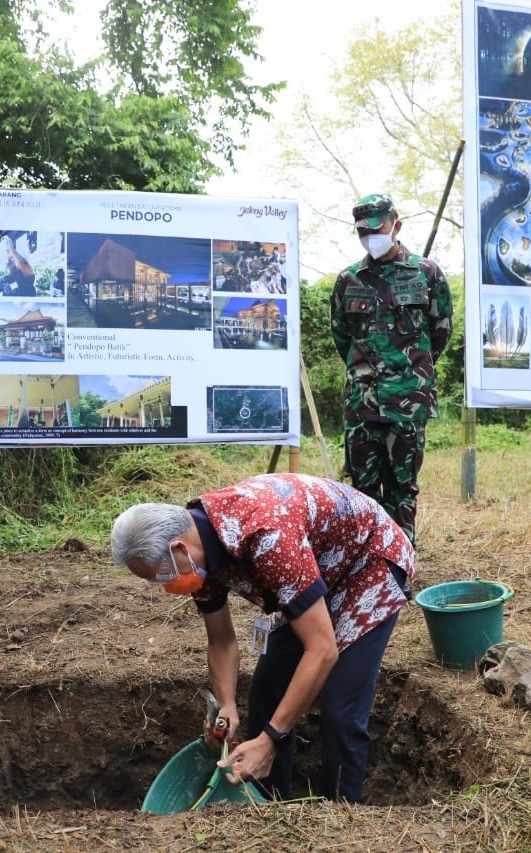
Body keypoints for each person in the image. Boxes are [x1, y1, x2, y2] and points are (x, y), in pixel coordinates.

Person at [110, 473, 415, 803]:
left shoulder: (265, 535)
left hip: (366, 563)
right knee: (267, 690)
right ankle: (270, 807)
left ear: (179, 547)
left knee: (340, 707)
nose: (166, 586)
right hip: (311, 573)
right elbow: (221, 640)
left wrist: (272, 738)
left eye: (163, 574)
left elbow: (323, 649)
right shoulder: (200, 556)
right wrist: (226, 704)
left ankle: (341, 816)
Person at [331, 193, 453, 544]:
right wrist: (365, 374)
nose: (370, 237)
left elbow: (440, 331)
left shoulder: (426, 274)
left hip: (407, 400)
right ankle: (367, 567)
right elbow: (342, 336)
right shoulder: (348, 279)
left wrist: (410, 372)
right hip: (362, 403)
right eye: (362, 232)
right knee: (362, 489)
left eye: (377, 229)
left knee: (402, 488)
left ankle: (399, 565)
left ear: (396, 225)